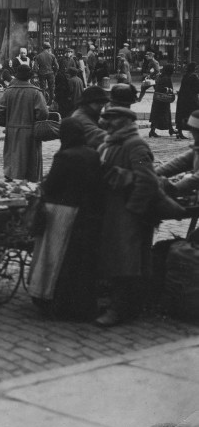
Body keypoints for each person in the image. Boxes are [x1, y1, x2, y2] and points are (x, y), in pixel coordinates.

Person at [28, 117, 103, 322]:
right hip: (84, 213)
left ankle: (47, 297)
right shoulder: (93, 154)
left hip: (60, 212)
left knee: (52, 257)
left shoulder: (64, 156)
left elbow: (51, 186)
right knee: (74, 261)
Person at [95, 106, 160, 327]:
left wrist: (134, 210)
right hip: (113, 211)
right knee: (115, 258)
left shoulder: (136, 145)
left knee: (126, 261)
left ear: (124, 121)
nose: (106, 123)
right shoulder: (112, 142)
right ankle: (123, 305)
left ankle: (120, 309)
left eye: (112, 119)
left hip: (128, 213)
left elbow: (148, 181)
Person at [0, 64, 49, 182]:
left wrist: (8, 119)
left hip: (12, 130)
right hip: (30, 130)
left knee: (13, 157)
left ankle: (11, 179)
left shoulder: (9, 91)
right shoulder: (36, 92)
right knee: (31, 160)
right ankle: (30, 185)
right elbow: (43, 113)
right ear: (29, 77)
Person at [156, 109, 199, 197]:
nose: (192, 134)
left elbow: (195, 180)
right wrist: (152, 174)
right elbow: (179, 162)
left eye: (194, 131)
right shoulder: (196, 150)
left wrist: (174, 189)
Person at [66, 85, 109, 150]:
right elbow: (97, 136)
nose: (101, 105)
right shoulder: (80, 117)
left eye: (103, 102)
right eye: (98, 102)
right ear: (88, 102)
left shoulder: (91, 114)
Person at [175, 62, 199, 140]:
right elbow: (197, 89)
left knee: (182, 115)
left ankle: (179, 132)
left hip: (182, 98)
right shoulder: (194, 77)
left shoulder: (185, 76)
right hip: (191, 100)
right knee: (194, 115)